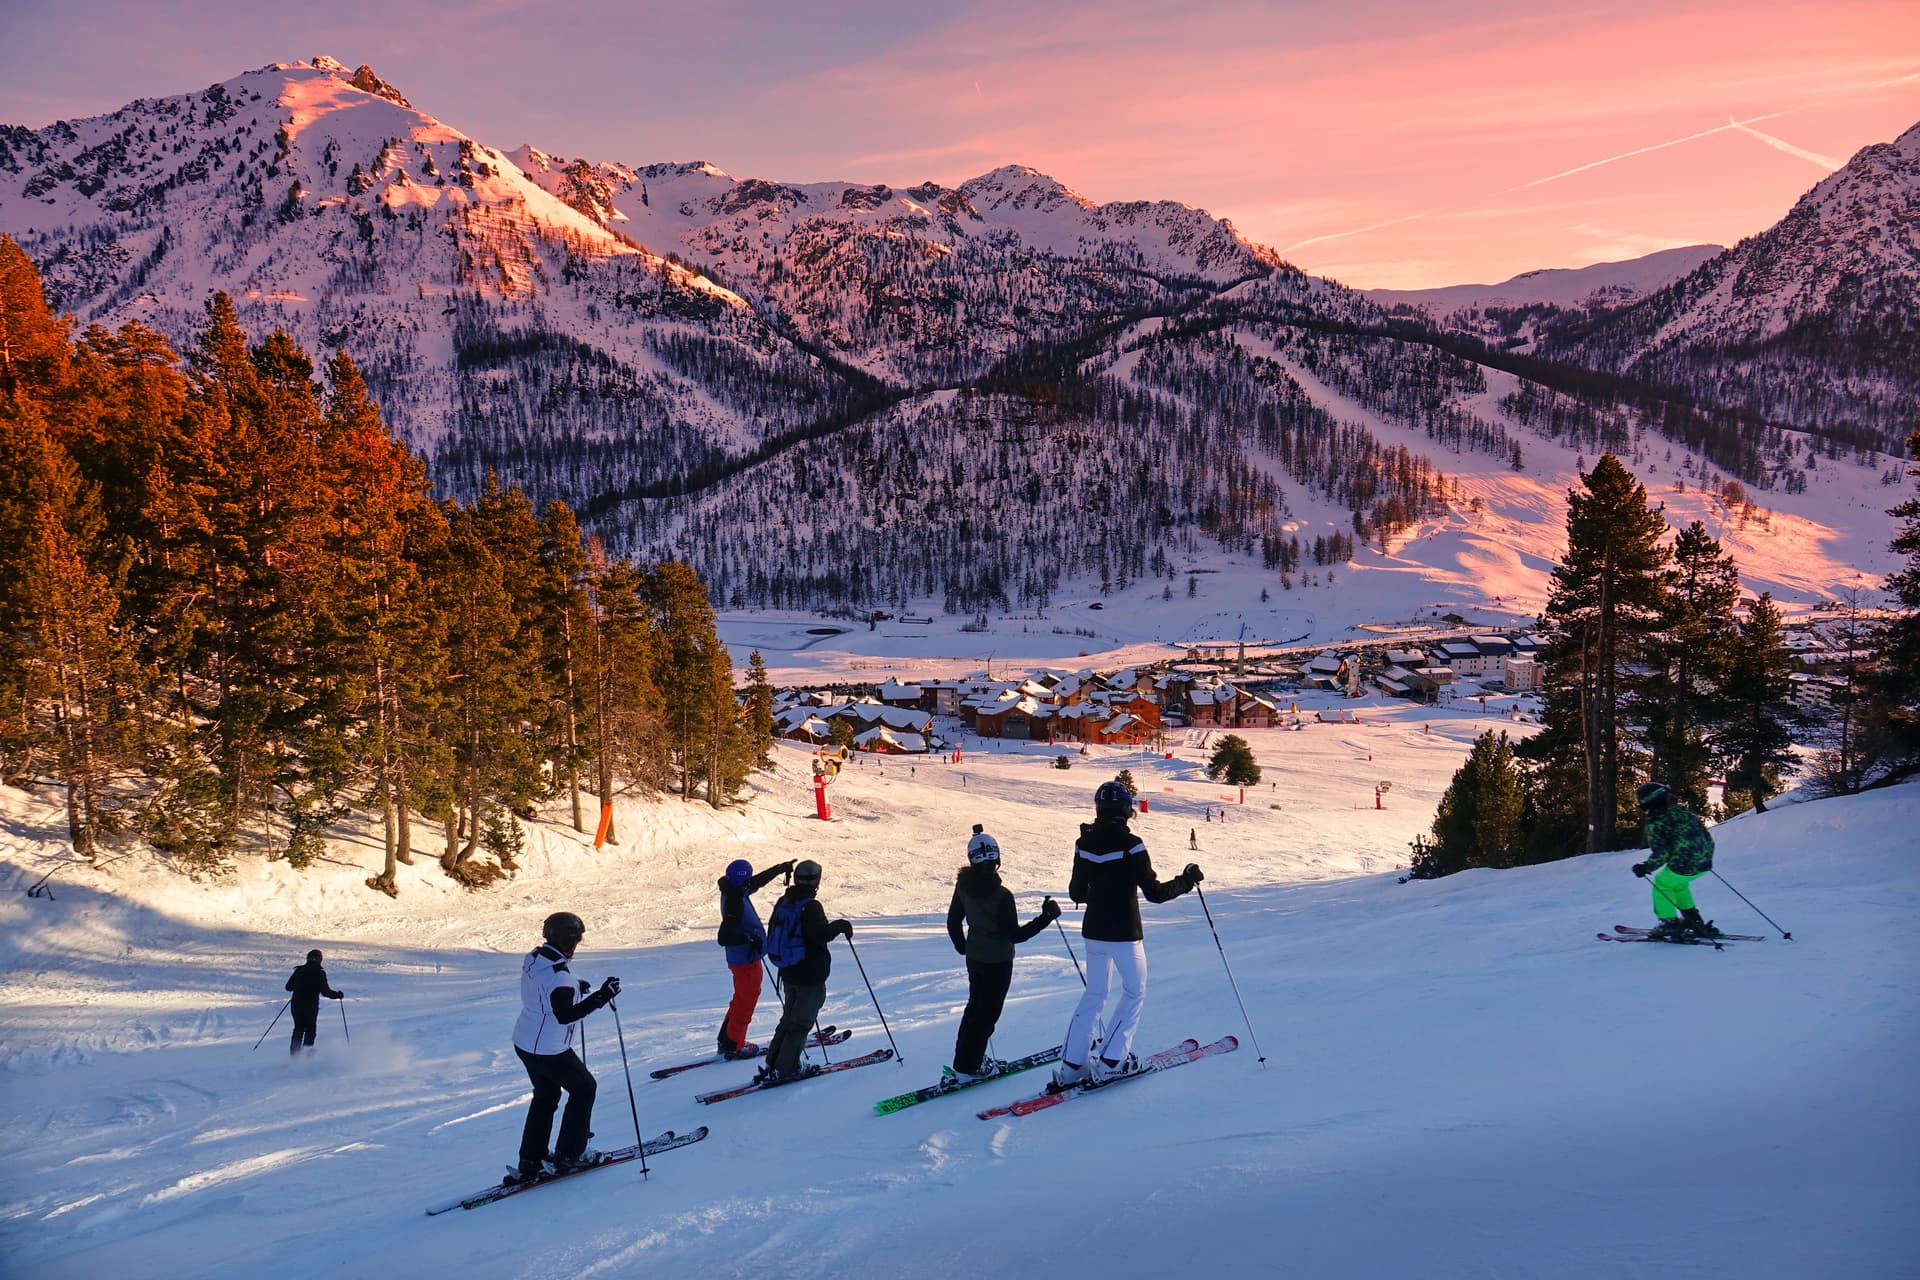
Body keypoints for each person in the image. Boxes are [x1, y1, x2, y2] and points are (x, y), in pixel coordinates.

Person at [1053, 781, 1201, 1088]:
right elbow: (1155, 893)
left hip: (1093, 931)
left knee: (1095, 994)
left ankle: (1072, 1066)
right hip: (1123, 932)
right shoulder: (1132, 844)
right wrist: (1186, 881)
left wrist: (1099, 890)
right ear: (1125, 809)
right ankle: (1111, 1061)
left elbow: (1076, 893)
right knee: (1134, 991)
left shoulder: (1084, 842)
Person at [510, 911, 621, 1182]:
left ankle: (531, 1160)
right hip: (549, 1048)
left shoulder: (535, 958)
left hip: (525, 1041)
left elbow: (545, 988)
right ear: (568, 941)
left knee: (546, 1095)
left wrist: (574, 988)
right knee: (584, 1089)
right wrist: (602, 996)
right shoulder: (559, 977)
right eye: (576, 940)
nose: (576, 946)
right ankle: (571, 1154)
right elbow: (565, 1015)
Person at [947, 828, 1059, 1080]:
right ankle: (971, 1067)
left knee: (975, 1009)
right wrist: (1046, 917)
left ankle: (965, 1062)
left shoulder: (964, 886)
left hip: (975, 958)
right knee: (987, 1015)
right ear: (997, 859)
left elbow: (953, 921)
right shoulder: (1002, 895)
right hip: (998, 961)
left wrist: (963, 946)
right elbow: (1015, 935)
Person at [757, 860, 852, 1084]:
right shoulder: (810, 906)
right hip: (809, 975)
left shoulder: (784, 901)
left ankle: (773, 1063)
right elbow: (820, 935)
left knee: (788, 1019)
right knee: (800, 1023)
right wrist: (841, 925)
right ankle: (787, 1068)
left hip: (788, 972)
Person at [715, 857, 796, 1058]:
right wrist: (748, 938)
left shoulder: (733, 889)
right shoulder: (735, 902)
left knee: (740, 999)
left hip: (742, 958)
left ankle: (727, 1039)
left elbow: (756, 882)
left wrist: (779, 868)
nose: (749, 883)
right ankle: (735, 1046)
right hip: (745, 960)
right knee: (746, 1002)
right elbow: (724, 937)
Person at [1631, 783, 1719, 939]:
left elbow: (1662, 853)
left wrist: (1645, 867)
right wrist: (1703, 857)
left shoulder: (1656, 823)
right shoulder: (1681, 812)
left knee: (1662, 884)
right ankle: (1694, 920)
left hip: (1684, 863)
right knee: (1678, 885)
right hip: (1705, 860)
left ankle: (1669, 922)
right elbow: (1702, 834)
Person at [284, 949, 343, 1055]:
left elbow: (288, 987)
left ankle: (294, 1056)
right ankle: (306, 1056)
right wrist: (337, 995)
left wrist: (299, 985)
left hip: (296, 1005)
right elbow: (325, 992)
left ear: (308, 958)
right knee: (310, 1030)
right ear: (320, 960)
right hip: (310, 1007)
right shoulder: (320, 973)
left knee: (298, 1029)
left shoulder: (299, 970)